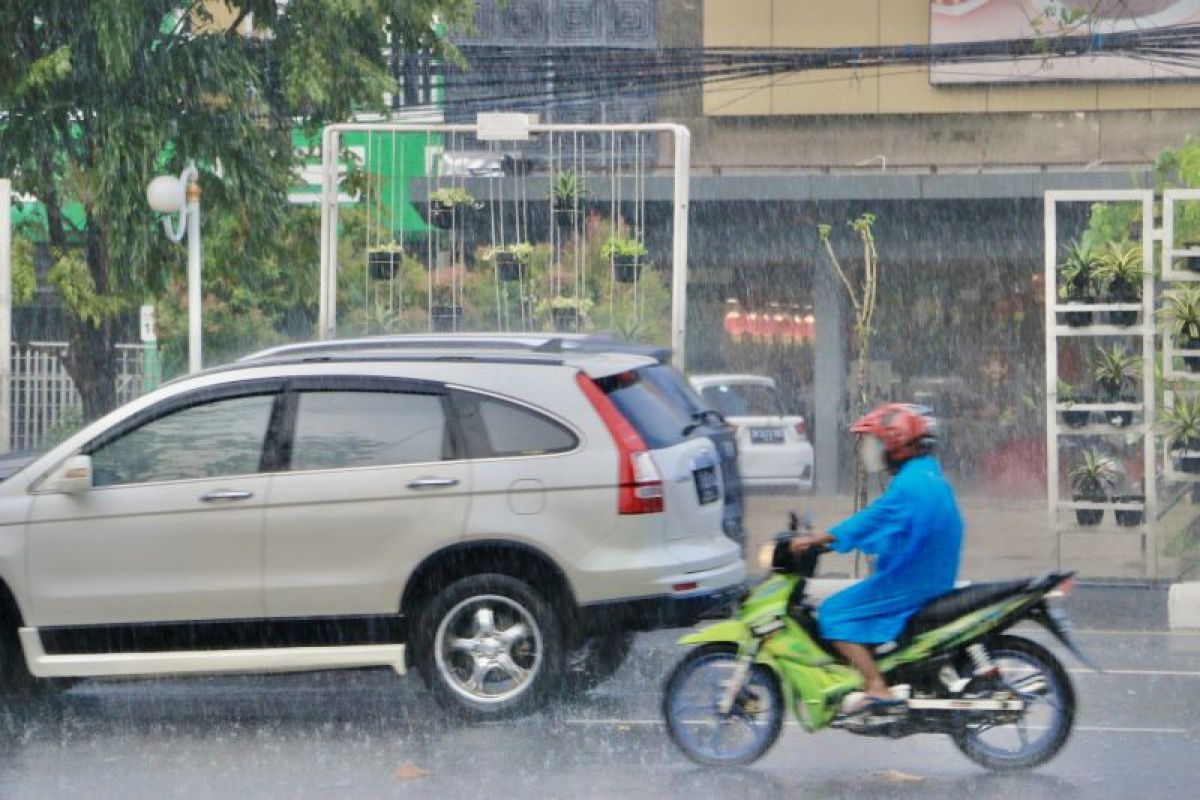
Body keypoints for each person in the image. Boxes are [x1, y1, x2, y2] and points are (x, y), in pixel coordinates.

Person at [789, 403, 963, 712]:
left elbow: (870, 521)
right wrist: (835, 543)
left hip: (912, 579)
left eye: (877, 443)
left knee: (833, 613)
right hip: (929, 572)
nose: (872, 452)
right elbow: (890, 528)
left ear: (896, 444)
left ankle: (876, 686)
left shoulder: (909, 486)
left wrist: (820, 539)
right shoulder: (926, 475)